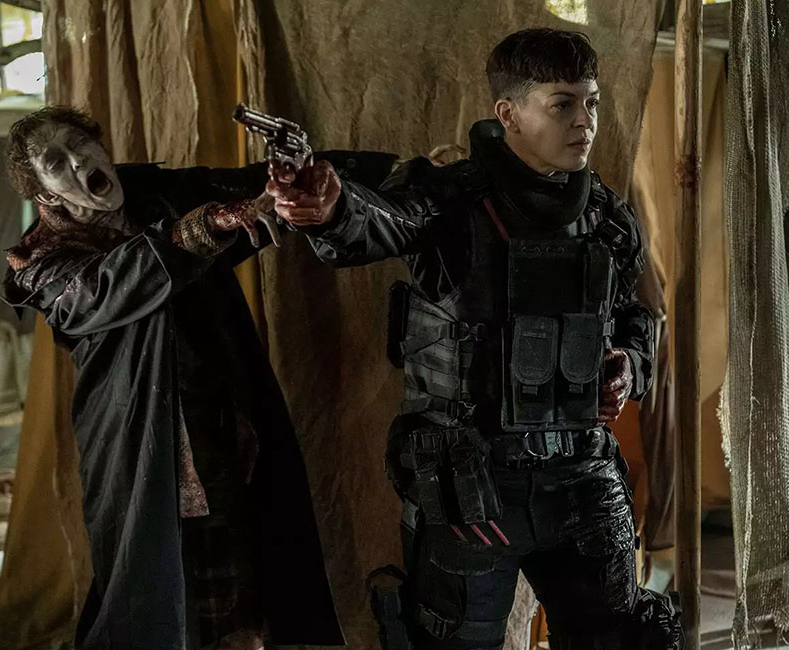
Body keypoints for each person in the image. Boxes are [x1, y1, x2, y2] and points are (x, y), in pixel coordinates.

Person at [267, 28, 682, 650]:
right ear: (508, 114)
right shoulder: (449, 200)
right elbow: (377, 222)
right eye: (563, 104)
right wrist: (328, 209)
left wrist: (629, 364)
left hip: (582, 475)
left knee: (621, 638)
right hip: (472, 486)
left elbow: (632, 318)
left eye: (592, 102)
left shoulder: (608, 217)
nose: (585, 121)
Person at [0, 106, 397, 650]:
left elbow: (251, 192)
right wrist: (205, 226)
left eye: (79, 143)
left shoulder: (156, 194)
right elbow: (102, 289)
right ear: (44, 192)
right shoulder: (43, 259)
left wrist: (298, 177)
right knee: (159, 591)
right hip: (141, 444)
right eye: (55, 162)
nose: (77, 161)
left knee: (252, 579)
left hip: (226, 420)